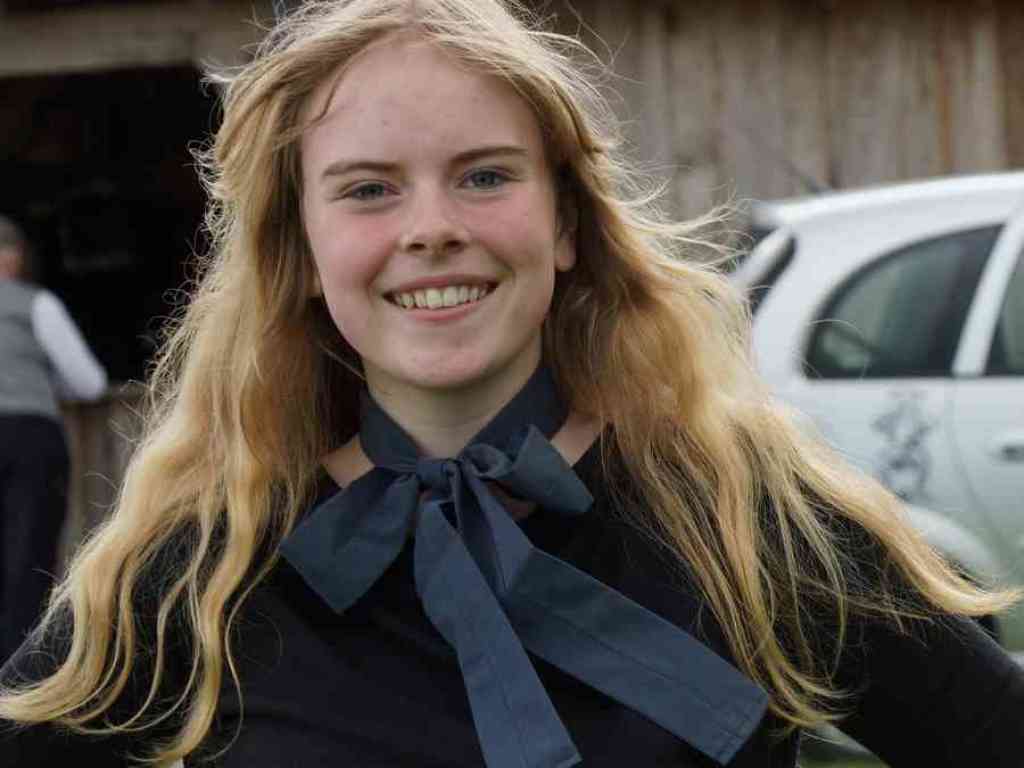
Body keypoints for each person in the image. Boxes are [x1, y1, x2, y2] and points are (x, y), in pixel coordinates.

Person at [1, 1, 1022, 766]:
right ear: (301, 251)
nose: (431, 228)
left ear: (566, 223)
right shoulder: (205, 567)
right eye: (368, 189)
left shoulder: (747, 522)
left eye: (485, 175)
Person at [0, 215, 107, 663]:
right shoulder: (35, 304)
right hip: (28, 438)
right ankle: (17, 675)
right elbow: (89, 384)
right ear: (12, 257)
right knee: (28, 559)